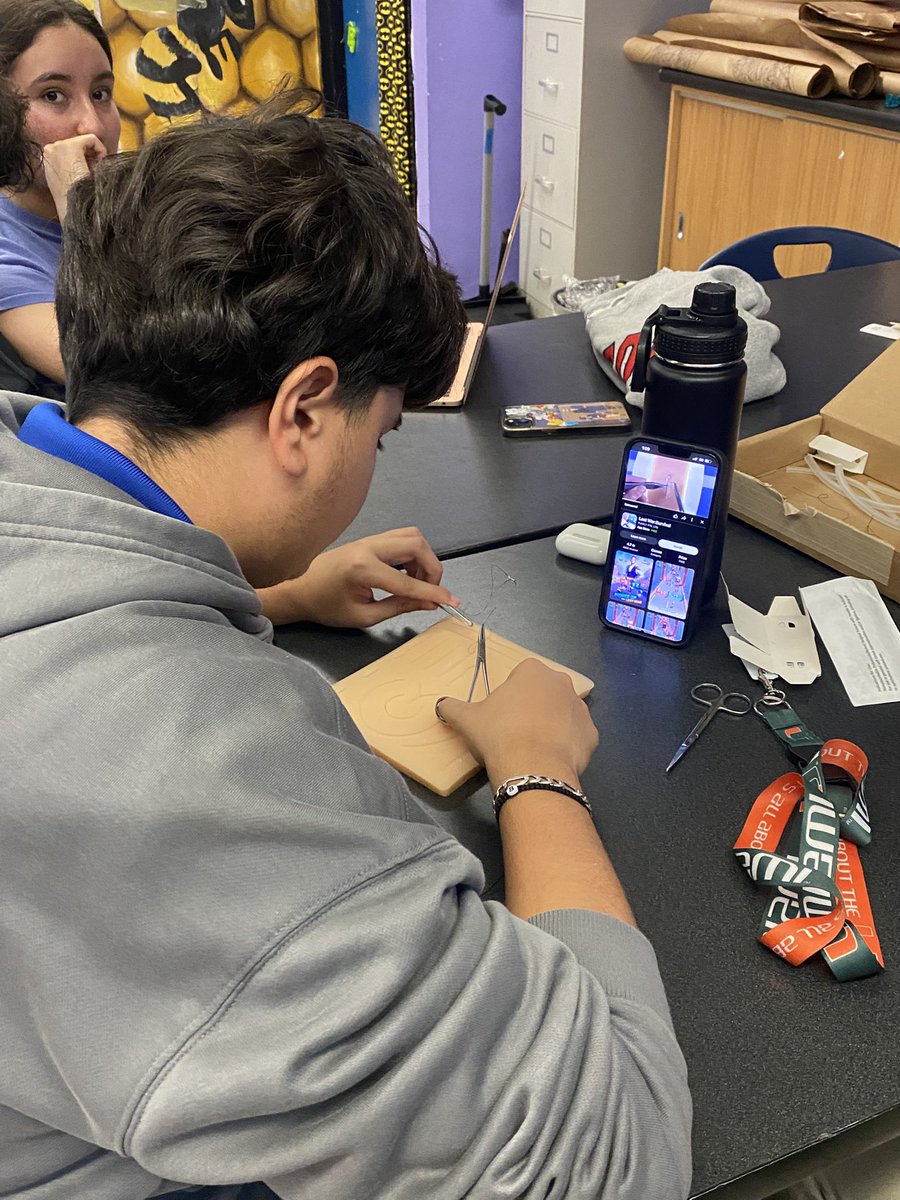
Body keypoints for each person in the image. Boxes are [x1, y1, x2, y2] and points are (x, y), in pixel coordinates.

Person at [0, 94, 692, 1198]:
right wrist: (536, 771)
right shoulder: (201, 782)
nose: (375, 464)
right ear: (305, 409)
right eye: (381, 434)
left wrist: (266, 587)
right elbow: (614, 1160)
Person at [0, 0, 120, 396]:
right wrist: (77, 197)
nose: (92, 124)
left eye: (101, 93)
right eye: (53, 95)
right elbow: (103, 370)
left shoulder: (138, 211)